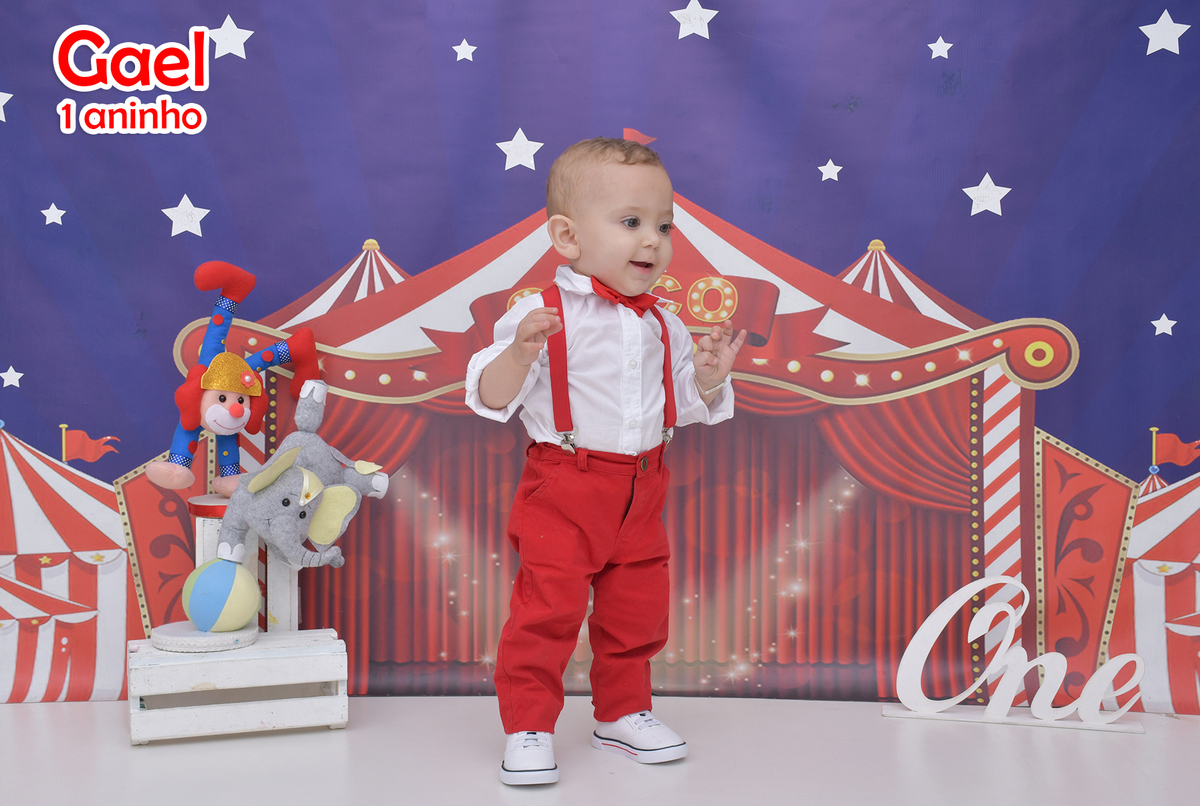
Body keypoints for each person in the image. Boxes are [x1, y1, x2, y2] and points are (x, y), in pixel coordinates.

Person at [465, 137, 746, 786]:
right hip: (565, 483)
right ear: (567, 236)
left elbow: (686, 406)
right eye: (631, 222)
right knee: (547, 610)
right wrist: (519, 355)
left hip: (644, 487)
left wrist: (708, 381)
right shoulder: (540, 315)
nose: (652, 240)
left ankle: (622, 713)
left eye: (664, 225)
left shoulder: (665, 325)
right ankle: (529, 724)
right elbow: (490, 397)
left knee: (636, 609)